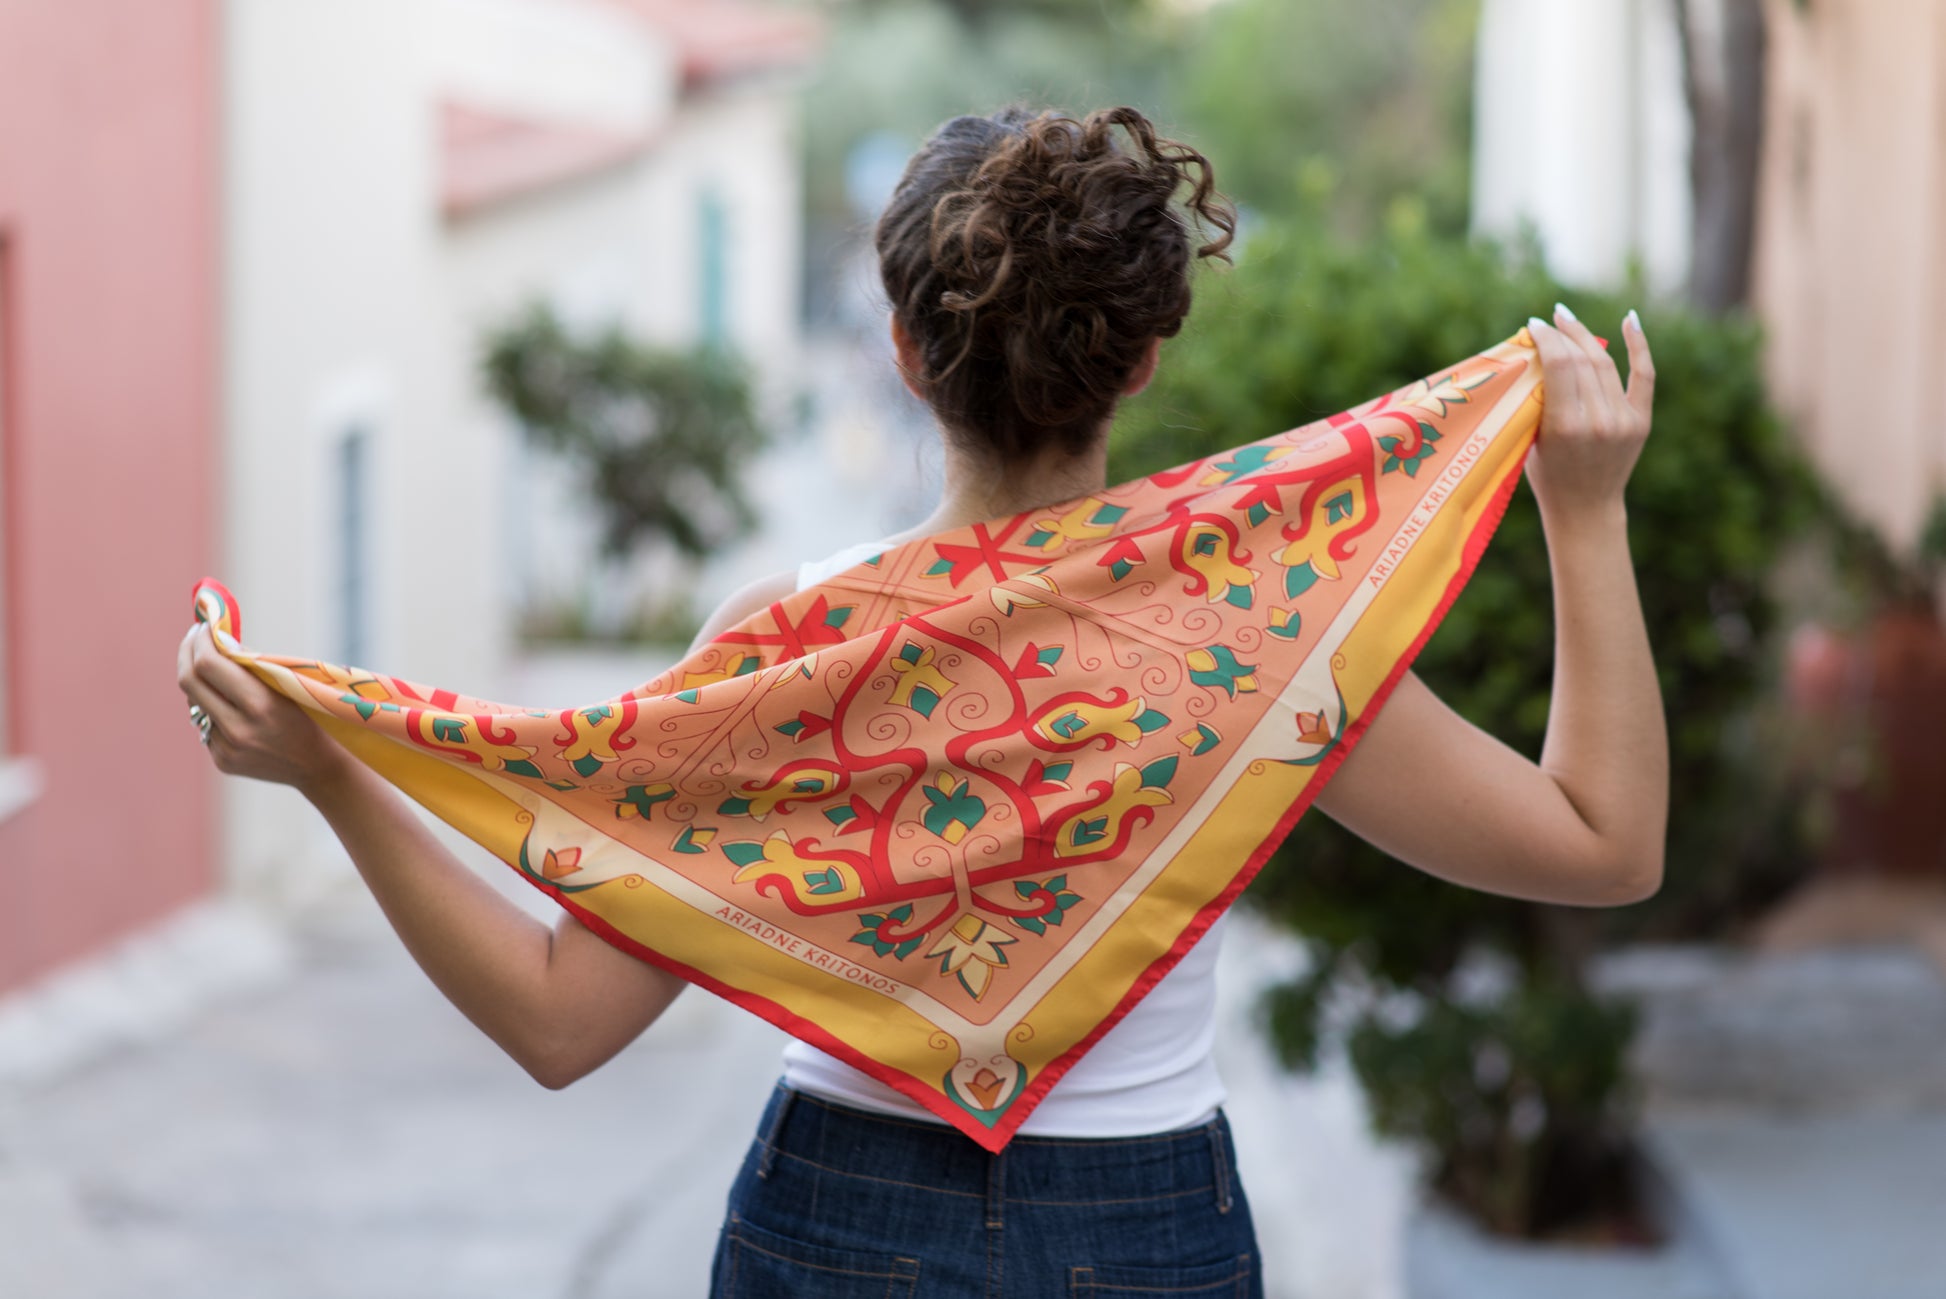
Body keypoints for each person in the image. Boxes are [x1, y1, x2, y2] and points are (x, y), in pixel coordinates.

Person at [177, 106, 1664, 1296]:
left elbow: (558, 1021)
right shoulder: (1258, 636)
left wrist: (333, 775)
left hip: (833, 1218)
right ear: (1145, 358)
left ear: (902, 352)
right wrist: (1583, 512)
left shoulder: (783, 649)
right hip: (1148, 1228)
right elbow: (1603, 845)